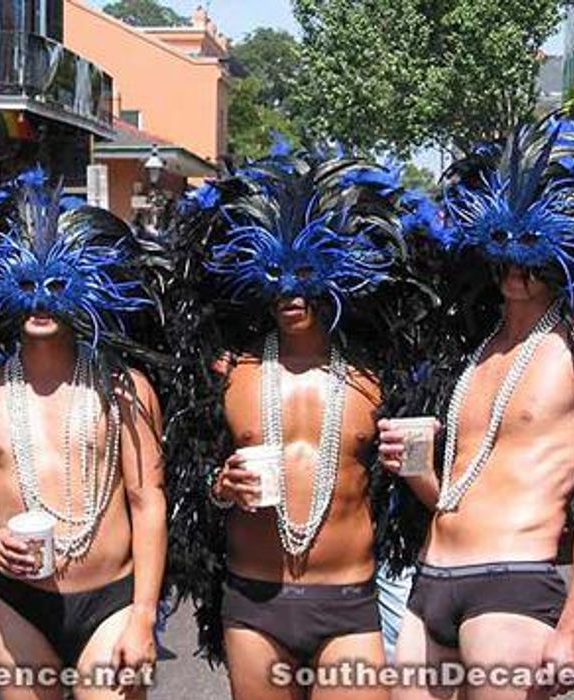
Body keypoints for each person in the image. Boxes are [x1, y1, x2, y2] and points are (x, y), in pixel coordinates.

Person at [380, 112, 574, 700]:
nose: (516, 270)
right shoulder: (478, 353)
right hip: (432, 580)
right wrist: (422, 474)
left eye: (534, 252)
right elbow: (461, 488)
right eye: (504, 250)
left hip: (513, 585)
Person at [164, 150, 436, 700]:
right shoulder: (231, 371)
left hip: (349, 601)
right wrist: (219, 490)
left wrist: (417, 465)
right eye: (275, 276)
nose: (290, 292)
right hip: (254, 602)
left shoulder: (374, 376)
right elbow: (183, 472)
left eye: (305, 274)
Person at [0, 169, 167, 699]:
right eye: (27, 285)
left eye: (57, 285)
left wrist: (143, 616)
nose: (42, 302)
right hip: (19, 606)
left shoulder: (124, 389)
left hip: (111, 602)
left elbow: (148, 503)